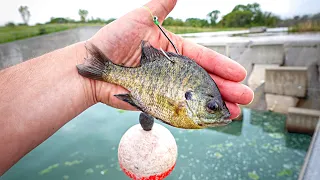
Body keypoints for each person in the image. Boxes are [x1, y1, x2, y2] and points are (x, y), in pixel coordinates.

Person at [0, 0, 253, 175]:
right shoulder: (182, 105)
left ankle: (102, 68)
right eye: (212, 106)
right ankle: (103, 68)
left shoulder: (191, 107)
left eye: (212, 107)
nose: (216, 111)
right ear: (190, 98)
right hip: (136, 79)